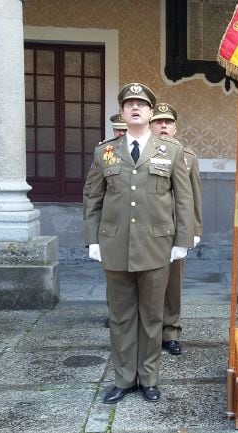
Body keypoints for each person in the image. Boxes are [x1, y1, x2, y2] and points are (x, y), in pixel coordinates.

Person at [84, 83, 194, 403]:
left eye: (141, 104)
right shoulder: (105, 151)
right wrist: (92, 239)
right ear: (122, 112)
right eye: (129, 103)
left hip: (156, 244)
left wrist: (181, 241)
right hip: (115, 245)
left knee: (151, 316)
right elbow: (92, 198)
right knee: (121, 316)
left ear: (150, 112)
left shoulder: (170, 150)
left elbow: (183, 200)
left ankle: (149, 377)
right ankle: (123, 378)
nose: (135, 108)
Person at [149, 102, 203, 355]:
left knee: (172, 285)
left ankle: (170, 332)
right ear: (150, 125)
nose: (163, 126)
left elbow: (193, 196)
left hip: (174, 231)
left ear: (175, 128)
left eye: (167, 122)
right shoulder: (139, 154)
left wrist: (193, 229)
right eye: (158, 121)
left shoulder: (187, 156)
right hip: (145, 231)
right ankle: (147, 332)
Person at [102, 113, 128, 329]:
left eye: (124, 129)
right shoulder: (105, 151)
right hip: (112, 225)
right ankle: (114, 313)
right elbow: (93, 192)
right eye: (117, 130)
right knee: (114, 276)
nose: (121, 133)